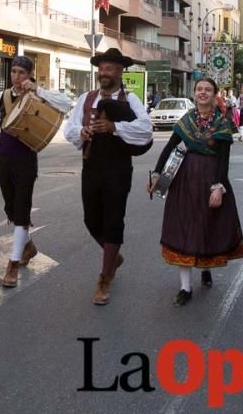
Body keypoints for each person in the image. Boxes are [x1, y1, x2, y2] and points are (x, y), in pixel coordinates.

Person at [0, 56, 72, 288]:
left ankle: (13, 264)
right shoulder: (2, 97)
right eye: (13, 72)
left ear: (29, 74)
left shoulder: (38, 95)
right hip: (4, 159)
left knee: (22, 208)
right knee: (10, 208)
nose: (16, 77)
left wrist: (38, 89)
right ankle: (29, 246)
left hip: (26, 159)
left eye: (21, 73)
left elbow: (65, 103)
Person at [64, 48, 153, 305]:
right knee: (91, 220)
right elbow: (69, 127)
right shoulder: (86, 98)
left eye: (110, 68)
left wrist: (115, 127)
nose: (104, 73)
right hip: (91, 166)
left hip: (118, 169)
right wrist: (81, 132)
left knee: (114, 220)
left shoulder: (131, 99)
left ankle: (104, 278)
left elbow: (146, 130)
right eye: (102, 68)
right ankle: (113, 254)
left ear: (120, 71)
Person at [149, 78, 243, 306]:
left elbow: (223, 160)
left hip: (210, 178)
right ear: (194, 93)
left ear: (215, 95)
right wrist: (156, 174)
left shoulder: (222, 123)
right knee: (183, 227)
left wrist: (218, 188)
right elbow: (170, 147)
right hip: (185, 179)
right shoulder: (187, 120)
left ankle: (205, 266)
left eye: (208, 90)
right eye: (199, 89)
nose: (203, 93)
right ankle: (185, 287)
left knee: (207, 227)